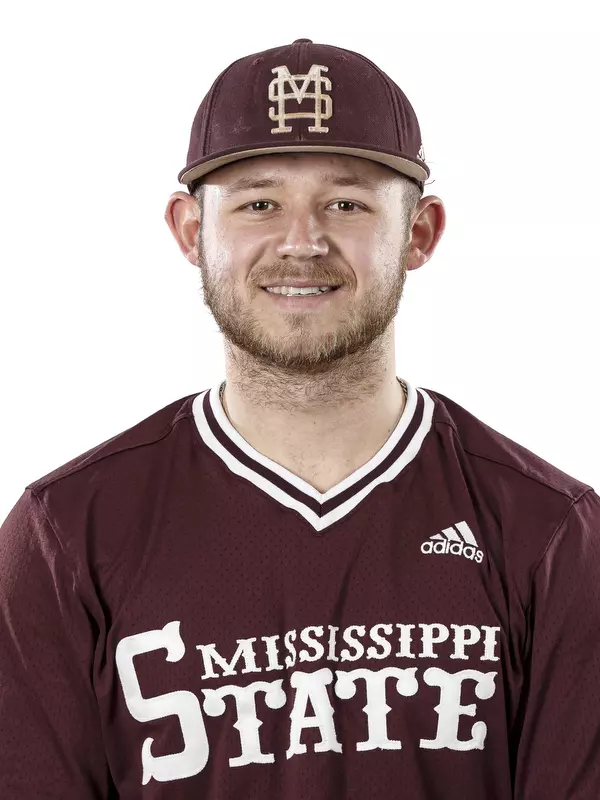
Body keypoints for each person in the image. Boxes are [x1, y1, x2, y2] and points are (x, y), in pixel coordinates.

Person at [1, 38, 599, 800]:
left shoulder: (551, 532)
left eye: (346, 204)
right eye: (259, 203)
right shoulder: (67, 534)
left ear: (420, 232)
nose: (301, 242)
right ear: (190, 231)